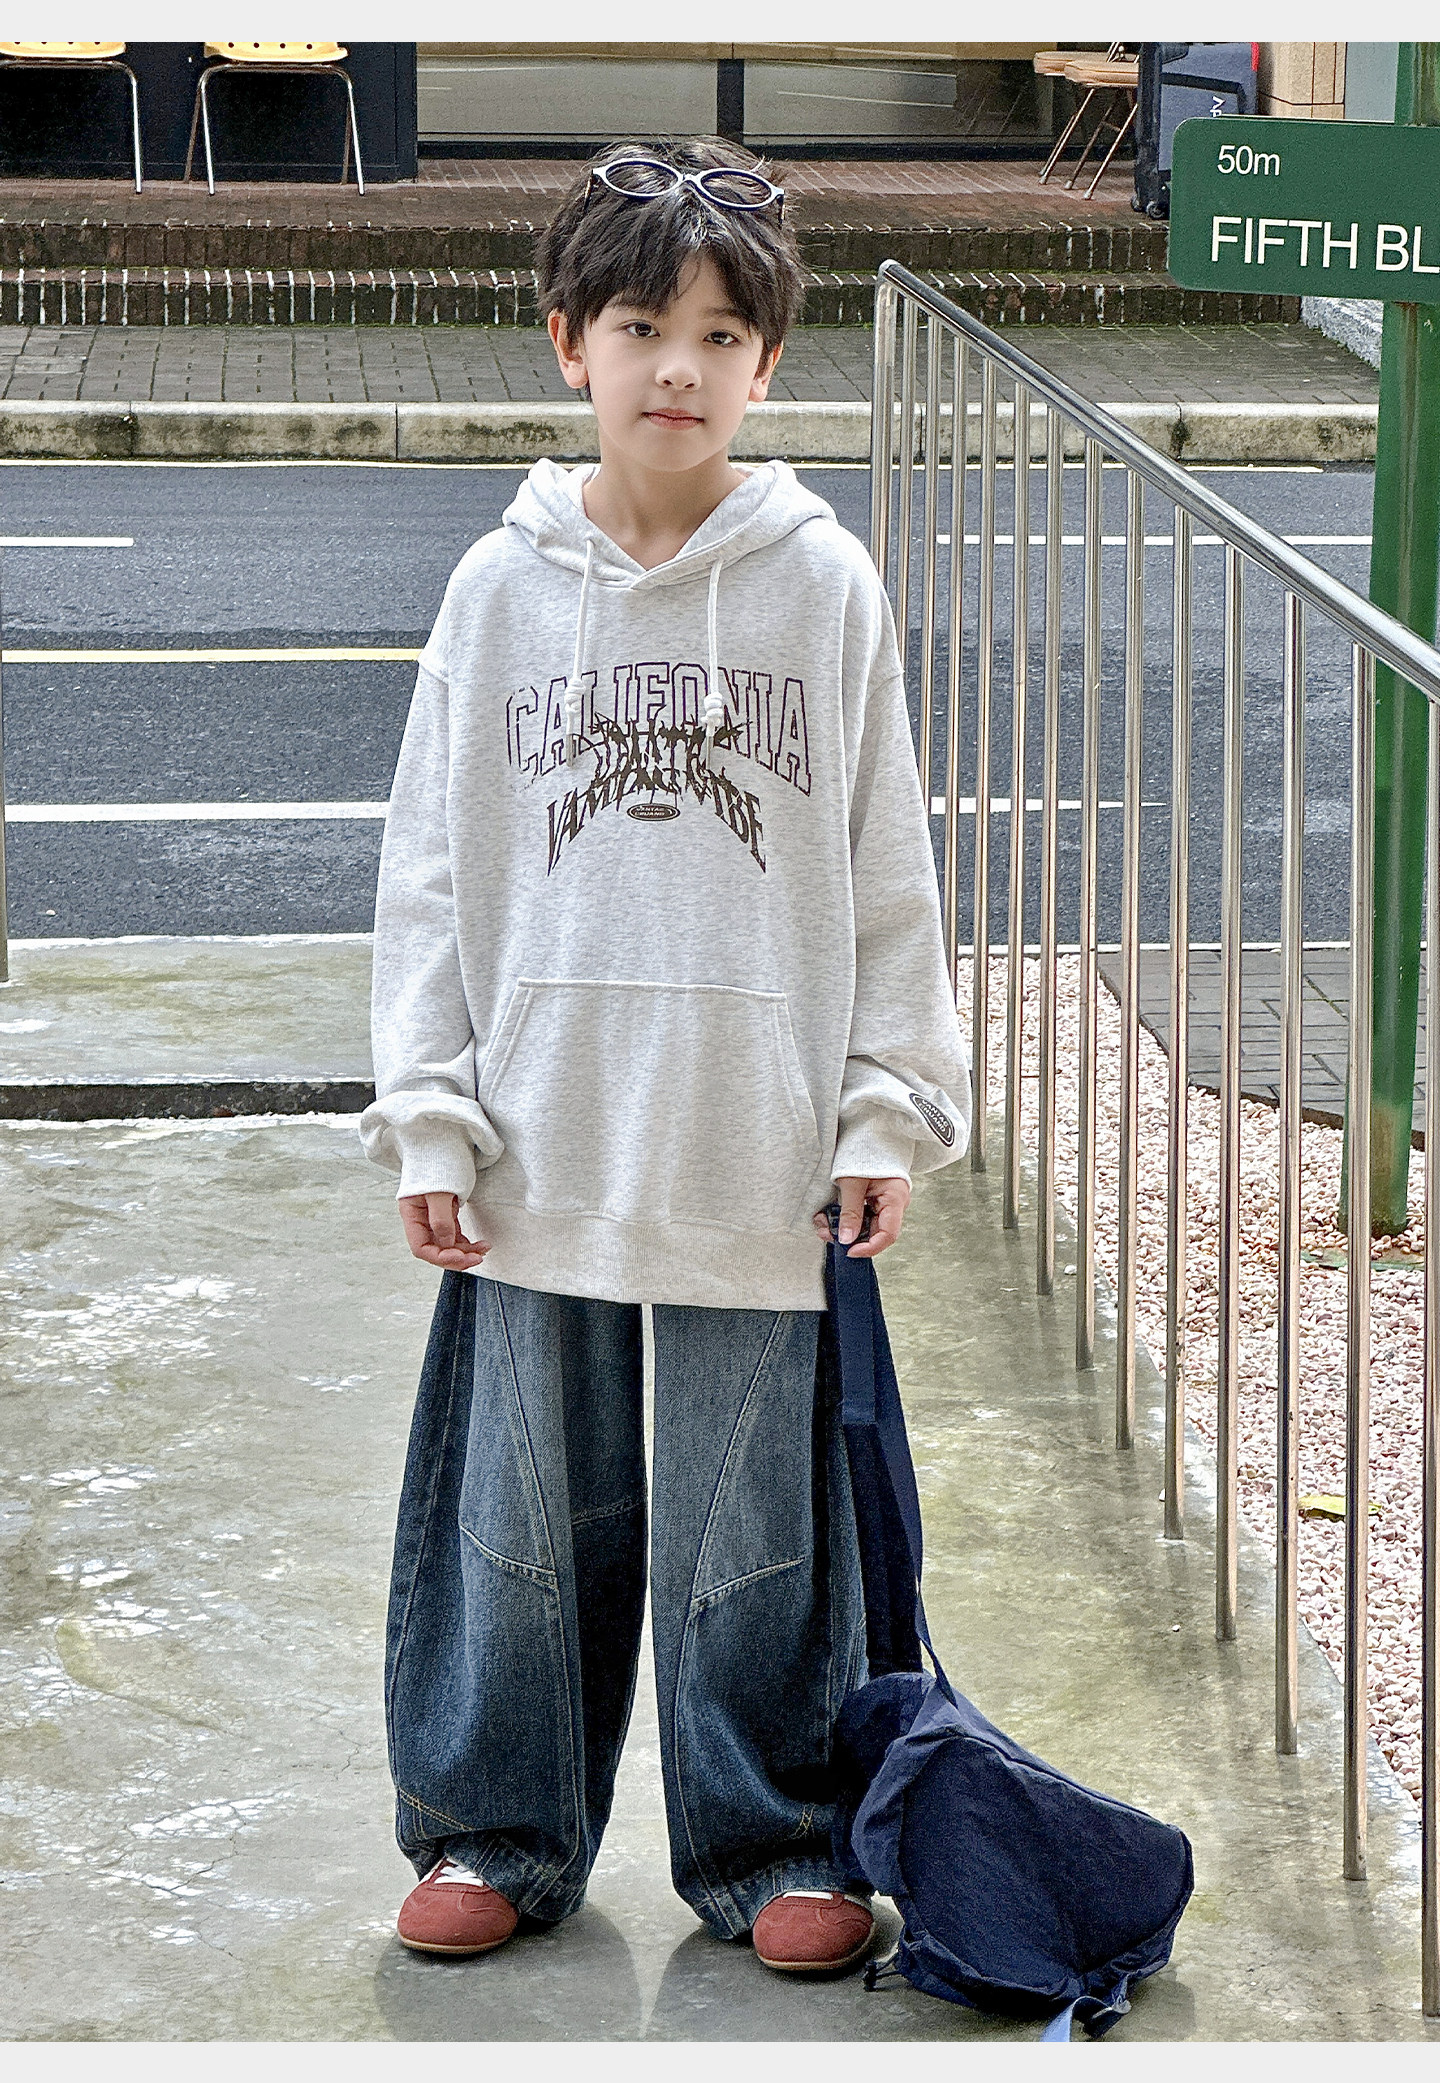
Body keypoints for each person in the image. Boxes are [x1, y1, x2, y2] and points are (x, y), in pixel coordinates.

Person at [359, 135, 970, 1977]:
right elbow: (429, 873)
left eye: (718, 334)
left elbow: (885, 862)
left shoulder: (820, 585)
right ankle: (496, 1829)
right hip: (541, 1133)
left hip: (749, 1139)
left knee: (748, 1530)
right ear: (571, 343)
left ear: (768, 365)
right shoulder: (499, 589)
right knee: (519, 1522)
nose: (677, 368)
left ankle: (775, 1844)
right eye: (640, 327)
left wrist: (882, 1107)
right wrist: (430, 1115)